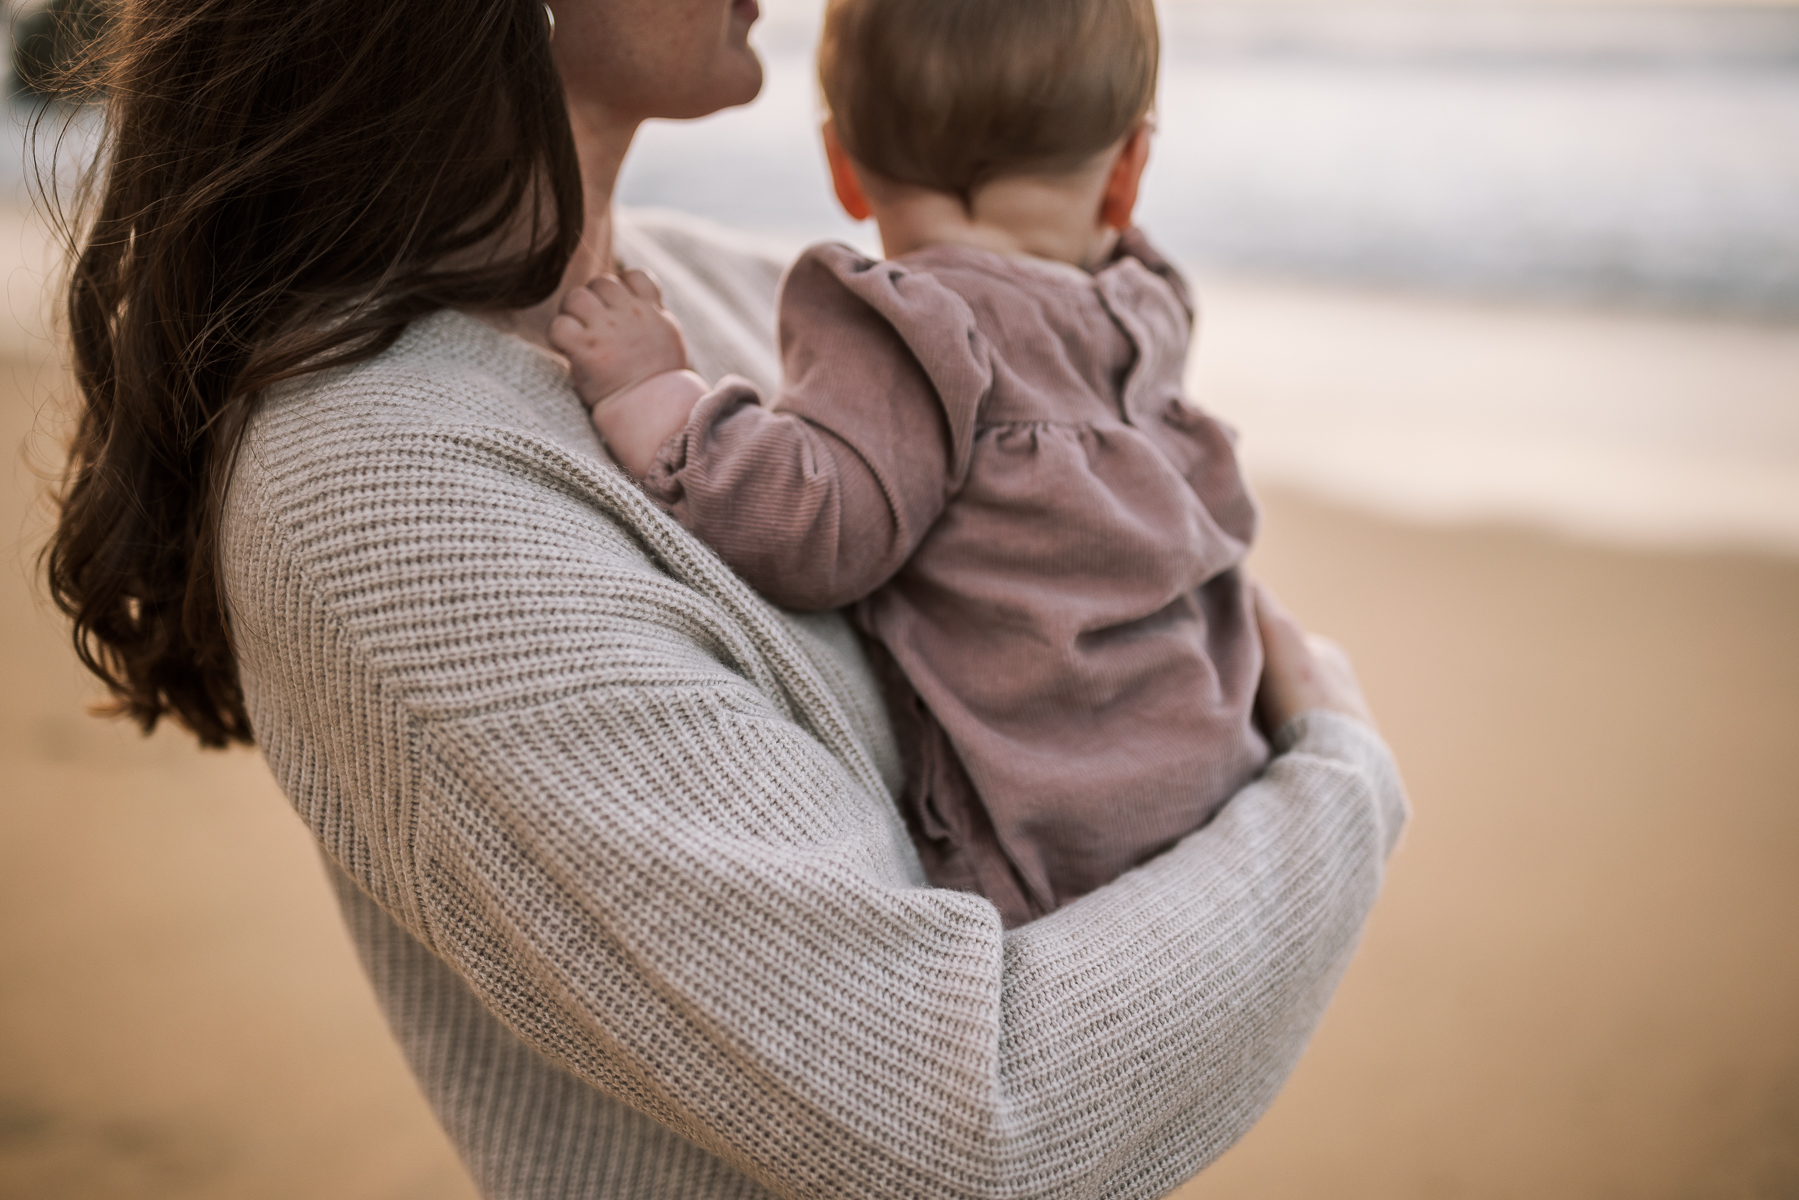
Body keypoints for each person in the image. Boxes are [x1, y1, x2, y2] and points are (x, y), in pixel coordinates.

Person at [42, 0, 1407, 1197]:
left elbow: (1109, 568)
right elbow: (974, 1117)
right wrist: (1338, 784)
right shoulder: (391, 497)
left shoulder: (746, 296)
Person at [550, 0, 1266, 929]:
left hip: (1052, 845)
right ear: (1127, 173)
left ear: (842, 166)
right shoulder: (1146, 306)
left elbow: (810, 525)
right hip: (1218, 760)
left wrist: (655, 392)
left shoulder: (914, 327)